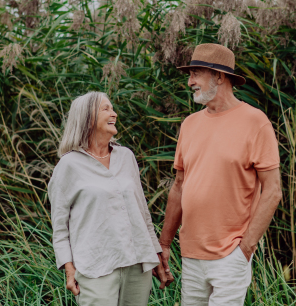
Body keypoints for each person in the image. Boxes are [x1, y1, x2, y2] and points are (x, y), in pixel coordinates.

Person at [157, 43, 283, 305]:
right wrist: (165, 243)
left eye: (196, 73)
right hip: (191, 257)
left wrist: (245, 248)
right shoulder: (190, 124)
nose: (190, 81)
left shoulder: (255, 122)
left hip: (230, 255)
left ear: (220, 76)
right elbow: (179, 187)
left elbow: (273, 190)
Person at [48, 91, 168, 306]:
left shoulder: (126, 156)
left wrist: (155, 253)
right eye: (106, 109)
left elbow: (142, 213)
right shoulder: (68, 165)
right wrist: (68, 267)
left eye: (112, 108)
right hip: (95, 267)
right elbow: (60, 227)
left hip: (137, 264)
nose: (114, 114)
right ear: (87, 117)